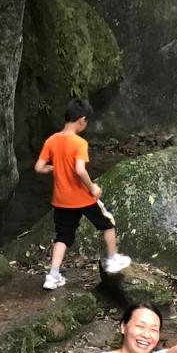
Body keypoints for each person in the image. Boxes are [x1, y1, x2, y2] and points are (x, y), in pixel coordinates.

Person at [34, 98, 130, 290]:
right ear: (82, 120)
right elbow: (79, 170)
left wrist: (55, 167)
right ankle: (112, 258)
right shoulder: (79, 143)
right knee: (108, 223)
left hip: (61, 200)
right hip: (82, 198)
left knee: (63, 236)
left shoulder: (51, 140)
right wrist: (92, 187)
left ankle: (53, 275)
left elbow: (39, 167)